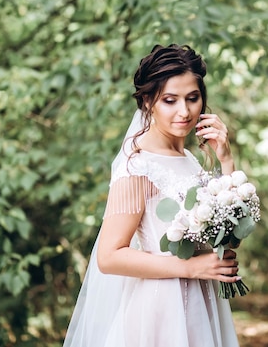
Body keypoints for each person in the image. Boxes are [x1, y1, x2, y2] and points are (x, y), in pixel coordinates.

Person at [63, 44, 241, 347]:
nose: (184, 112)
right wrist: (190, 267)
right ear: (148, 101)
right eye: (170, 100)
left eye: (193, 98)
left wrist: (226, 160)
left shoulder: (190, 157)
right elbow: (109, 257)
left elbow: (228, 240)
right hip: (161, 308)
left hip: (202, 302)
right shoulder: (138, 165)